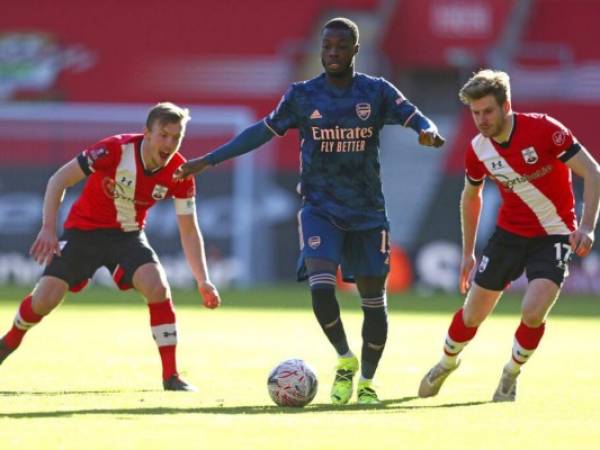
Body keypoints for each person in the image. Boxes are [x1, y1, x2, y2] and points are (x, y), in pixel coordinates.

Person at [175, 18, 445, 405]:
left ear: (355, 50)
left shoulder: (376, 91)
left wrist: (427, 131)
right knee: (321, 288)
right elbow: (261, 131)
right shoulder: (303, 95)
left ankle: (367, 380)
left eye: (340, 46)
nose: (332, 52)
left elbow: (417, 116)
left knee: (373, 301)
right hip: (320, 206)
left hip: (367, 212)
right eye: (327, 46)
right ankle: (345, 359)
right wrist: (210, 159)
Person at [0, 102, 221, 391]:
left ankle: (171, 376)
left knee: (157, 286)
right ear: (147, 134)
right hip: (83, 233)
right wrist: (48, 228)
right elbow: (58, 180)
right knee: (44, 300)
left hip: (127, 237)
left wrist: (203, 280)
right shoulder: (114, 149)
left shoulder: (181, 172)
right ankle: (8, 342)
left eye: (176, 137)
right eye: (163, 135)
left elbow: (189, 230)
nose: (169, 144)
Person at [418, 69, 600, 402]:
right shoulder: (477, 149)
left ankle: (511, 373)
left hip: (555, 234)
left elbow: (592, 171)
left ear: (506, 106)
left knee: (533, 312)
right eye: (475, 113)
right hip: (509, 234)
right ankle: (446, 362)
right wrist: (468, 253)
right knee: (472, 315)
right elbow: (471, 196)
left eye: (487, 111)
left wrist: (586, 226)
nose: (482, 120)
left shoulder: (545, 129)